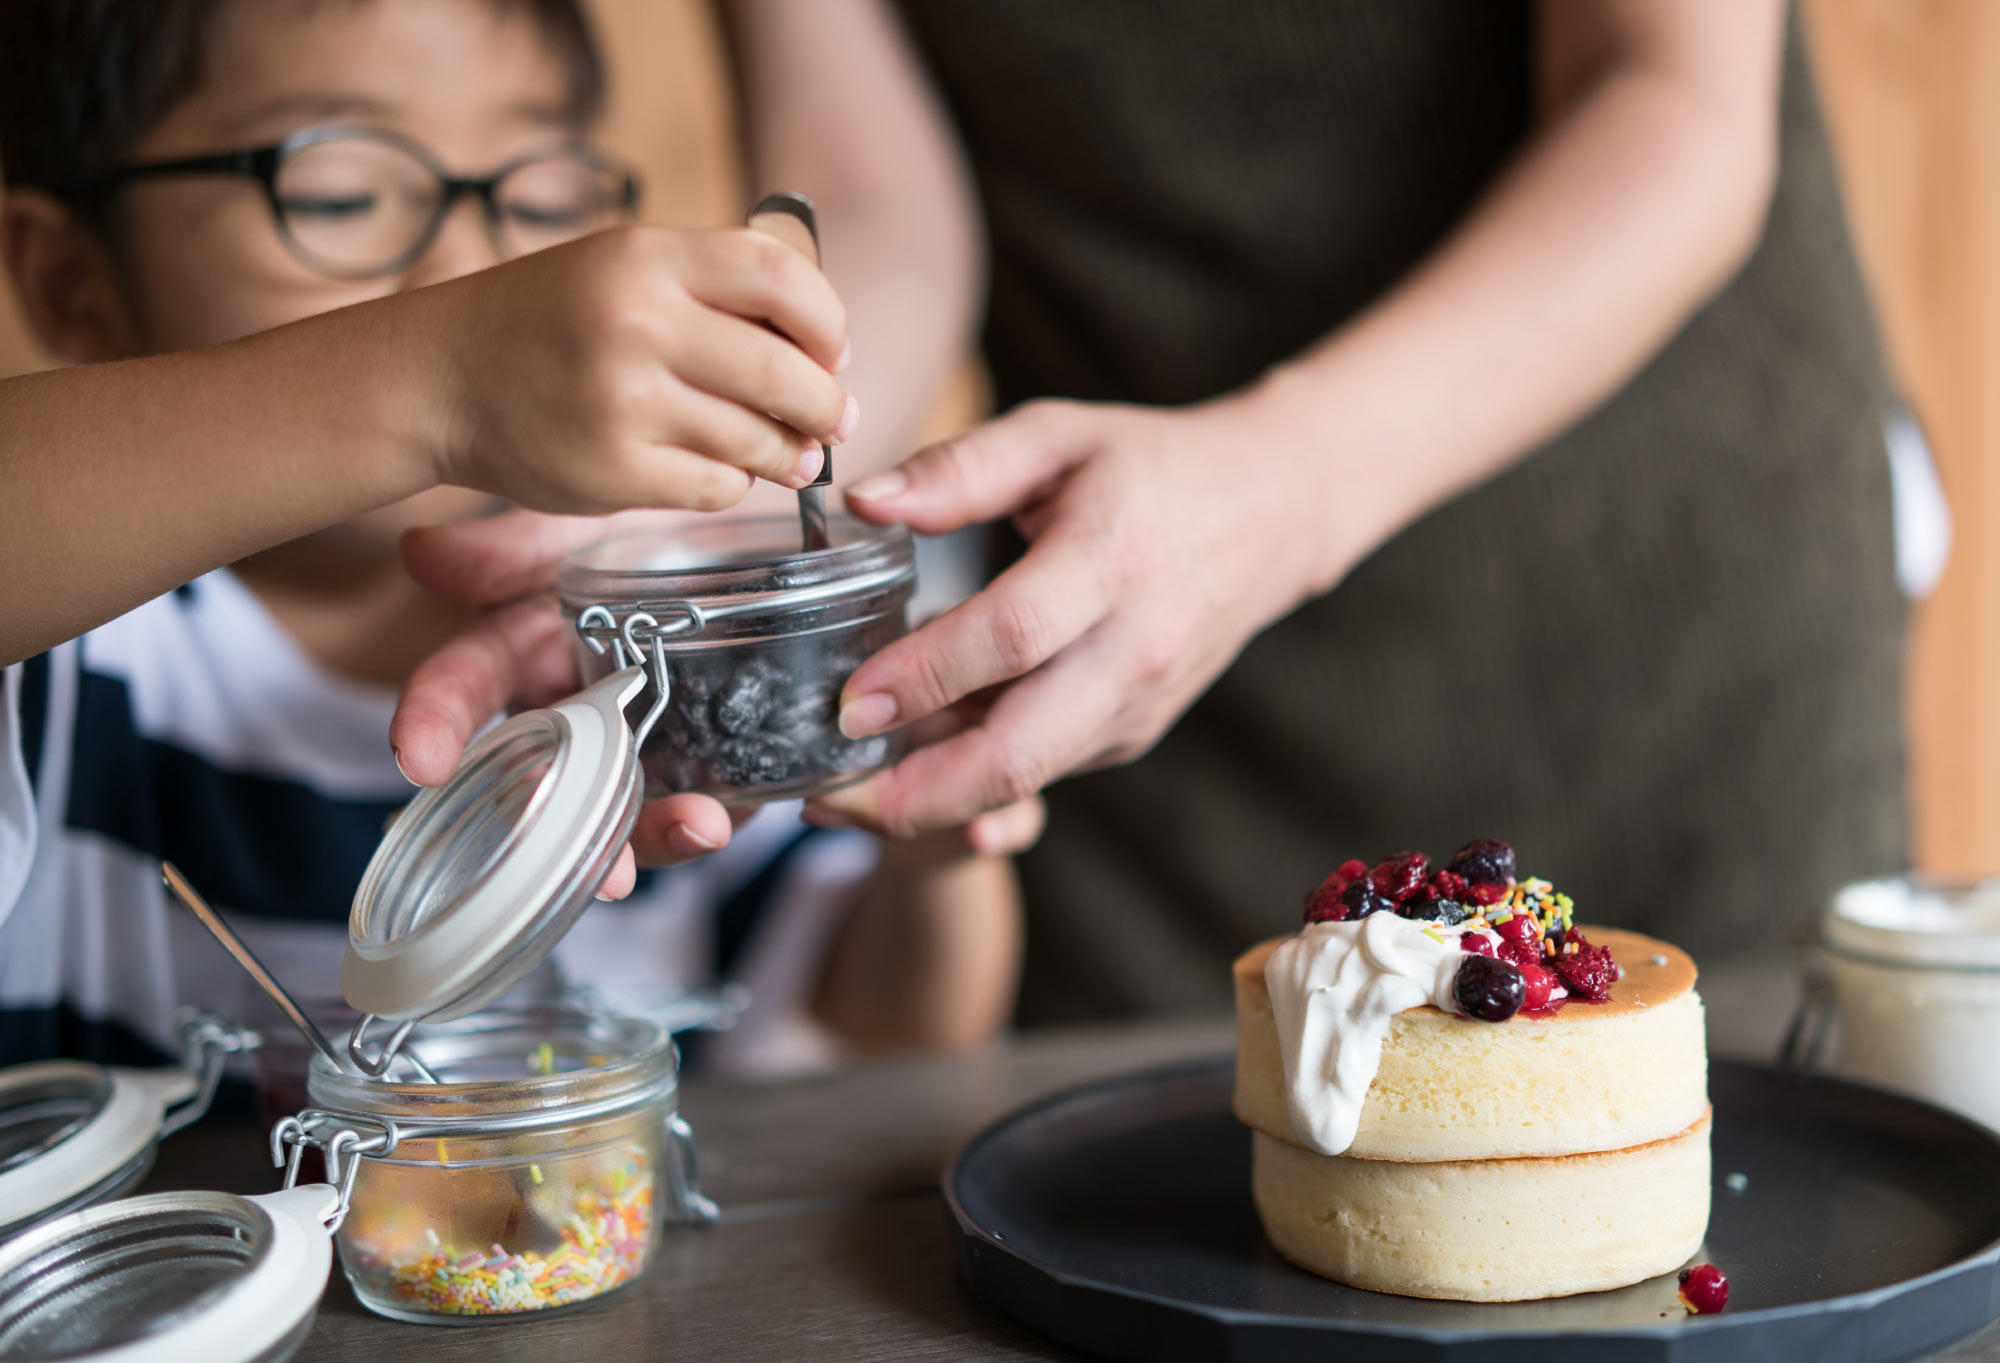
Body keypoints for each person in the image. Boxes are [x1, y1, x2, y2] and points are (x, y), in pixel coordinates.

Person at [395, 0, 1905, 1023]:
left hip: (1652, 601)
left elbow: (1677, 104)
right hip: (1140, 660)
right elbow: (875, 183)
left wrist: (1283, 485)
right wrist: (726, 525)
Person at [0, 0, 1021, 1072]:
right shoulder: (70, 651)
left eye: (539, 192)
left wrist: (936, 842)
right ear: (74, 284)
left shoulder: (655, 649)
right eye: (339, 193)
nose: (471, 271)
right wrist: (432, 379)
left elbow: (885, 1029)